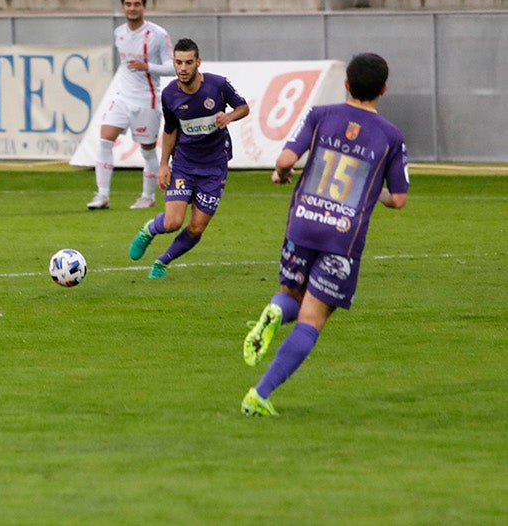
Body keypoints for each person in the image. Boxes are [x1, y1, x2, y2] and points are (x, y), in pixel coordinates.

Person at [240, 53, 409, 416]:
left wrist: (282, 175)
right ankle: (260, 394)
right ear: (383, 89)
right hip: (341, 238)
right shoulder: (391, 136)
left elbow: (285, 161)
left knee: (292, 296)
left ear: (346, 84)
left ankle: (275, 308)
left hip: (302, 223)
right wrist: (372, 184)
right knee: (312, 319)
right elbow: (398, 199)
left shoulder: (321, 115)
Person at [127, 39, 249, 279]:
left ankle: (162, 262)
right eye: (178, 62)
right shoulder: (170, 94)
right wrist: (163, 165)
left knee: (196, 227)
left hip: (214, 166)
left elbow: (243, 107)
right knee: (173, 222)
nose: (183, 68)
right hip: (184, 164)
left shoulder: (218, 85)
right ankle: (148, 230)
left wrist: (230, 117)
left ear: (198, 63)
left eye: (188, 62)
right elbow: (170, 130)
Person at [88, 0, 172, 210]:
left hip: (147, 100)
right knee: (105, 139)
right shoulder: (119, 33)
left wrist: (148, 67)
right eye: (128, 4)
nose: (132, 8)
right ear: (122, 6)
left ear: (144, 6)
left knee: (147, 150)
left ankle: (148, 196)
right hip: (122, 97)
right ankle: (102, 195)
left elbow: (173, 67)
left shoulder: (157, 34)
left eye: (137, 4)